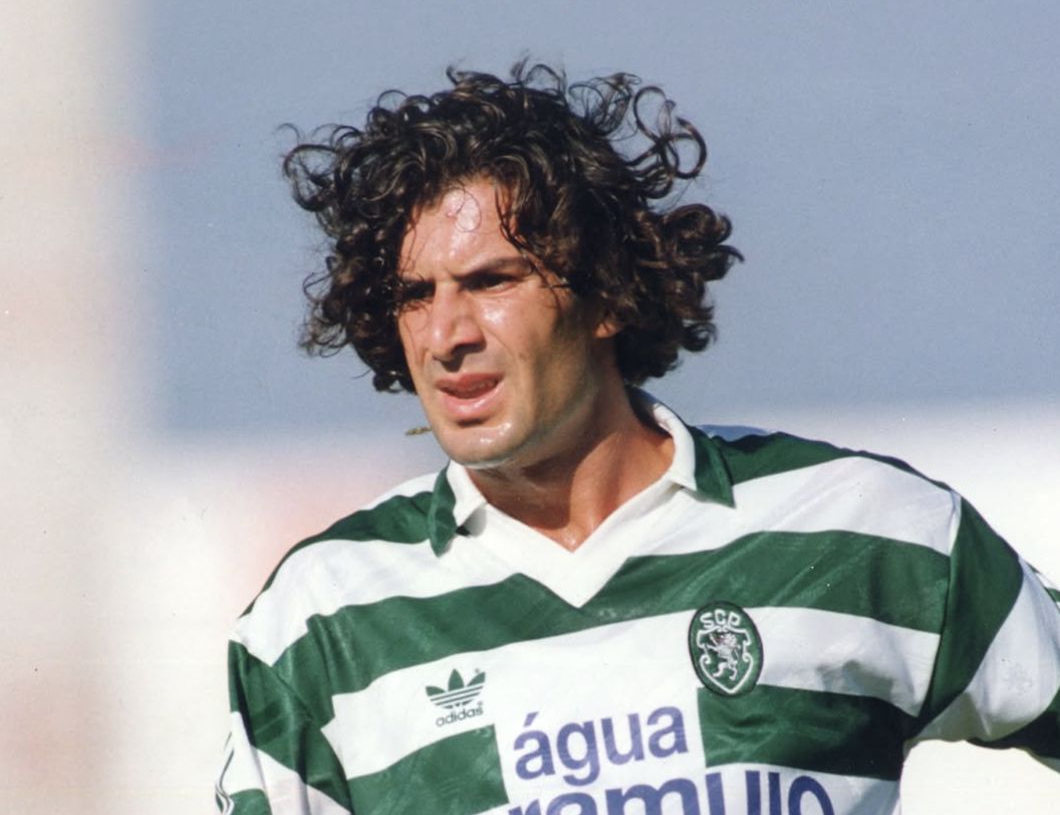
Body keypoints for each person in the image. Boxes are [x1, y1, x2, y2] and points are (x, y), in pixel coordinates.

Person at [216, 64, 1060, 815]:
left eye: (492, 281)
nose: (445, 335)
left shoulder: (863, 532)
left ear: (608, 294)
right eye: (413, 294)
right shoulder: (320, 620)